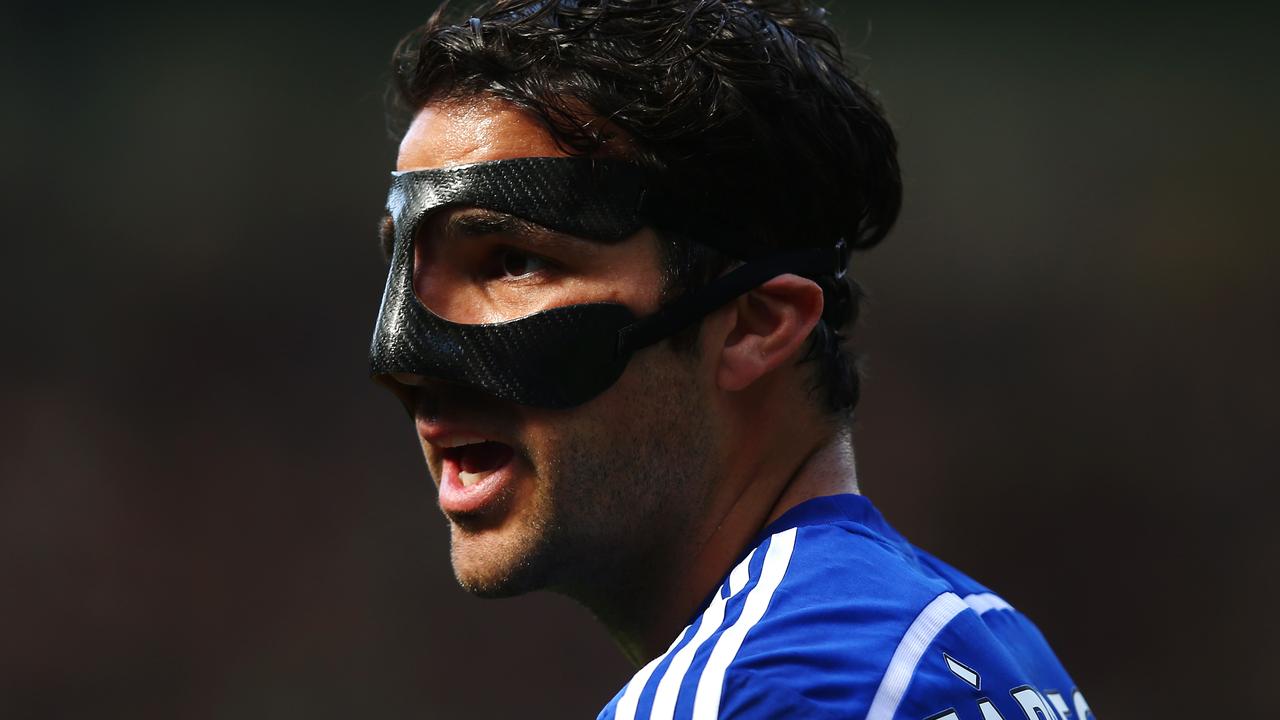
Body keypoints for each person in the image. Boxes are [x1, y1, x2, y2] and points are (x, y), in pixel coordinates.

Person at [367, 1, 1095, 718]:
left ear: (753, 325)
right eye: (402, 265)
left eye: (512, 261)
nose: (402, 358)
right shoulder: (990, 645)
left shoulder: (755, 692)